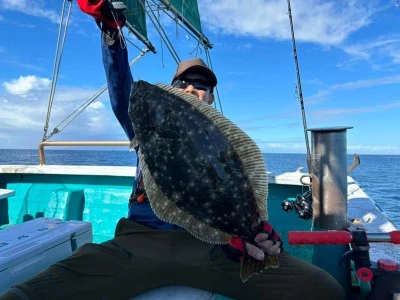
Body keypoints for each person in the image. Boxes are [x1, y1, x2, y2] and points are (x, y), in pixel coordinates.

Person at [0, 2, 345, 299]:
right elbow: (123, 91)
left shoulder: (219, 144)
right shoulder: (149, 126)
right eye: (184, 83)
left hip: (210, 249)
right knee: (25, 294)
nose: (193, 89)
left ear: (211, 97)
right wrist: (110, 32)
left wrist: (253, 233)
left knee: (321, 289)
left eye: (202, 85)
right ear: (172, 89)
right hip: (138, 242)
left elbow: (237, 194)